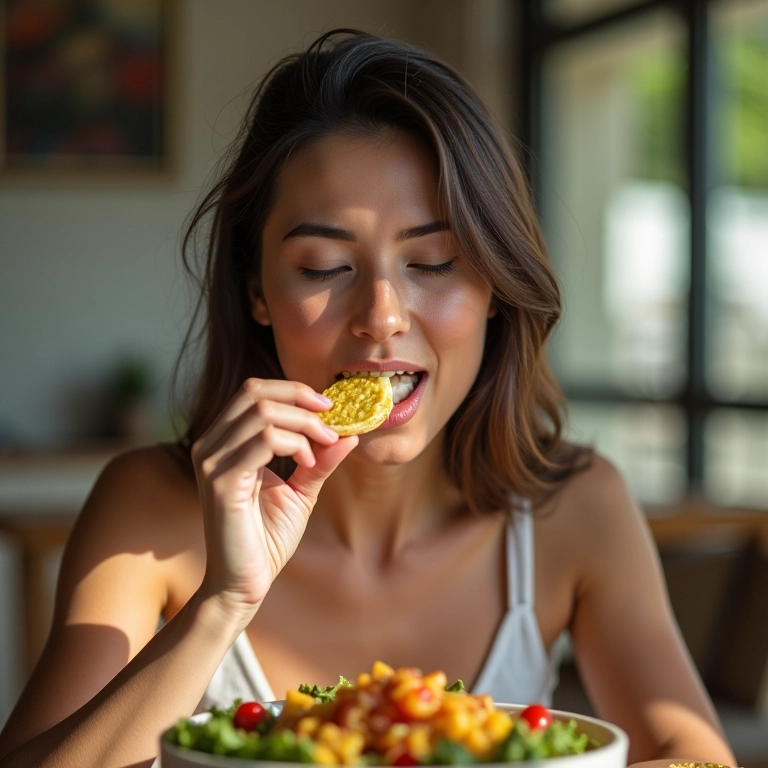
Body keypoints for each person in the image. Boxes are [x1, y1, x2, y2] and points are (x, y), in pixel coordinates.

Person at [0, 29, 736, 768]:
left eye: (435, 261)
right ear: (257, 291)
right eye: (323, 266)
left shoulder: (576, 508)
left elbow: (697, 754)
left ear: (494, 288)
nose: (382, 314)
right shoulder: (148, 509)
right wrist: (222, 603)